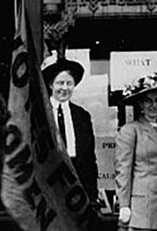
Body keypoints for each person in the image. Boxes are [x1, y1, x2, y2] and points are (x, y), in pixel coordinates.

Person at [114, 71, 157, 230]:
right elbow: (123, 170)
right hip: (142, 207)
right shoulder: (130, 131)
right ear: (140, 104)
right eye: (148, 101)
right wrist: (124, 205)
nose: (154, 105)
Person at [42, 51, 98, 207]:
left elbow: (89, 159)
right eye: (60, 83)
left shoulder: (82, 116)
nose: (64, 88)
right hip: (49, 182)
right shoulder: (41, 114)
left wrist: (92, 195)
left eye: (69, 83)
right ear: (51, 84)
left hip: (77, 184)